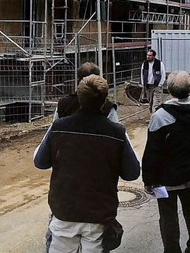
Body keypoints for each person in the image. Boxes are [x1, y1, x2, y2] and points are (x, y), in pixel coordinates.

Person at [34, 75, 140, 253]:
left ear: (79, 98)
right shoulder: (116, 132)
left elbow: (40, 162)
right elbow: (133, 173)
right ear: (104, 100)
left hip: (64, 212)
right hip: (98, 215)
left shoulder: (59, 127)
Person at [142, 71, 190, 253]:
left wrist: (148, 180)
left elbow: (152, 153)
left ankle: (172, 249)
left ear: (169, 89)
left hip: (164, 179)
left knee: (167, 216)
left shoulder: (160, 116)